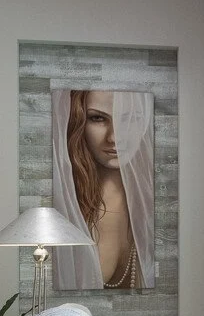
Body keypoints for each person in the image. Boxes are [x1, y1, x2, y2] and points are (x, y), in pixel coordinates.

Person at [52, 89, 156, 290]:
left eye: (130, 118)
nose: (114, 137)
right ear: (77, 122)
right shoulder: (65, 205)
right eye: (98, 118)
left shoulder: (153, 205)